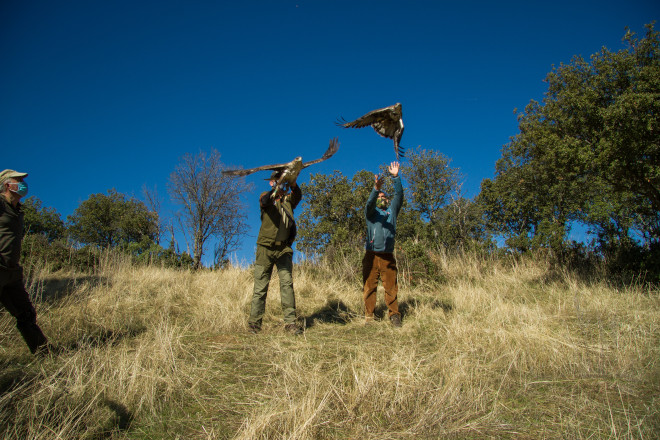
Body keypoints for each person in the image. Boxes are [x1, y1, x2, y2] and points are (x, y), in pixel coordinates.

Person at [0, 169, 50, 354]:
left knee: (26, 313)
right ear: (7, 184)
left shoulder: (17, 210)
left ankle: (44, 353)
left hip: (11, 271)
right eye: (18, 180)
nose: (23, 184)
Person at [247, 173, 303, 335]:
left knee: (287, 284)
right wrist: (275, 191)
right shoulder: (266, 196)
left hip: (284, 249)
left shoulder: (288, 200)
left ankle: (290, 323)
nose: (280, 183)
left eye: (282, 180)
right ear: (272, 182)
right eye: (277, 180)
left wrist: (292, 183)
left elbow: (298, 195)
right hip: (265, 248)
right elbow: (264, 202)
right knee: (260, 287)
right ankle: (254, 324)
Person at [362, 161, 404, 327]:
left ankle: (394, 316)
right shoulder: (371, 214)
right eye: (380, 198)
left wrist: (396, 177)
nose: (382, 199)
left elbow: (399, 196)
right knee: (369, 287)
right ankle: (369, 317)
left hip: (387, 256)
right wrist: (375, 190)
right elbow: (368, 205)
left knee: (391, 288)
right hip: (371, 255)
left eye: (384, 197)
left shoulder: (391, 212)